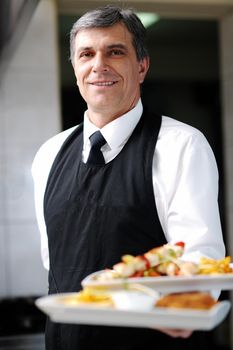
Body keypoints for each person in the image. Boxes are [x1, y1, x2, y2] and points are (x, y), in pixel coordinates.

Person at [32, 5, 225, 350]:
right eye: (86, 54)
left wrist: (185, 308)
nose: (99, 65)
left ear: (142, 67)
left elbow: (200, 257)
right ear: (75, 67)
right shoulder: (49, 153)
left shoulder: (181, 145)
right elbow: (56, 263)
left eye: (115, 52)